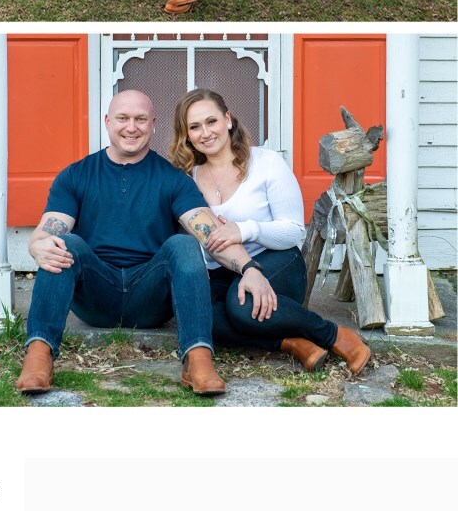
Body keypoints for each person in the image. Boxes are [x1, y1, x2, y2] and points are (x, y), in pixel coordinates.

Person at [16, 90, 280, 397]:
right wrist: (36, 243)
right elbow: (49, 229)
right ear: (107, 122)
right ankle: (39, 355)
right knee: (63, 243)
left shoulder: (173, 179)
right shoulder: (76, 175)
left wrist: (249, 267)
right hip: (96, 295)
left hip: (150, 297)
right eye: (123, 118)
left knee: (183, 244)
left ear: (153, 124)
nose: (132, 127)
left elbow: (210, 233)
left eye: (140, 119)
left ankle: (198, 360)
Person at [169, 88, 371, 374]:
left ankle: (334, 335)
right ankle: (290, 342)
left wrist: (245, 229)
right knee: (198, 318)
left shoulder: (266, 163)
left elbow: (292, 232)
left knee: (239, 308)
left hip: (276, 262)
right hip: (221, 271)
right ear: (186, 134)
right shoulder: (186, 179)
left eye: (211, 121)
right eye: (195, 127)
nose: (205, 133)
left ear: (228, 119)